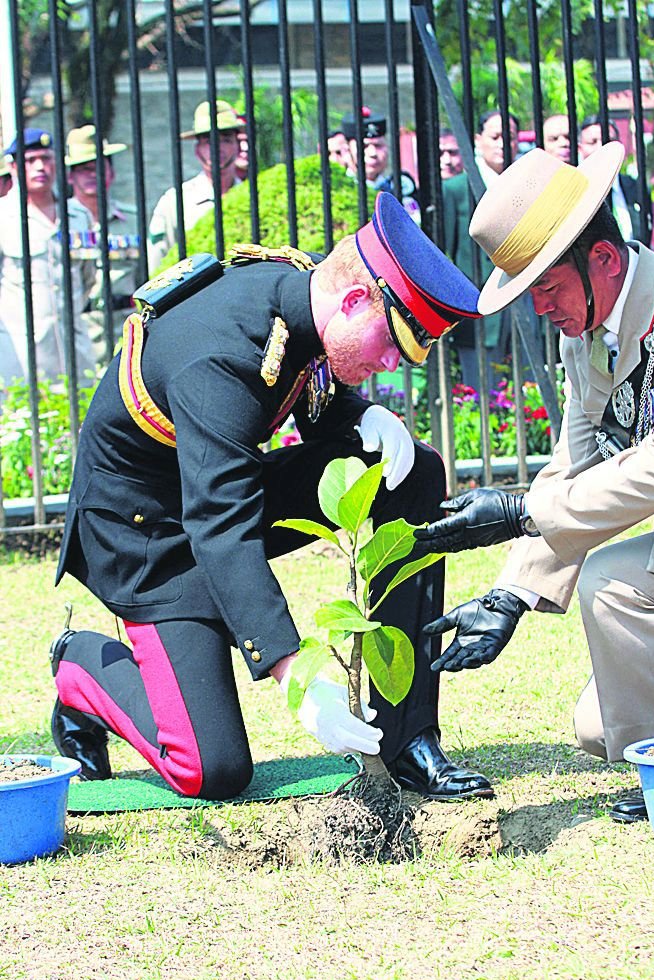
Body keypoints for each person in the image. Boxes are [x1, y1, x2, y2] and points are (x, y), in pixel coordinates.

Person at [49, 191, 495, 804]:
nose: (393, 365)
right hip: (148, 535)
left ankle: (407, 736)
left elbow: (304, 368)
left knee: (412, 472)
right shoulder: (220, 362)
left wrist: (357, 415)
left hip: (217, 485)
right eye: (391, 345)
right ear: (356, 299)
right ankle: (80, 671)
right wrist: (296, 673)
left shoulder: (305, 292)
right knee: (211, 769)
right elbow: (219, 526)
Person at [414, 145, 654, 825]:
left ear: (602, 259)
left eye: (545, 283)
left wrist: (520, 512)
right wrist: (510, 594)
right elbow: (574, 469)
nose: (538, 305)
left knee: (614, 580)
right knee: (596, 727)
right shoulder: (587, 339)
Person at [442, 110, 534, 390]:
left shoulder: (529, 182)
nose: (503, 144)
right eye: (495, 137)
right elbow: (445, 250)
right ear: (478, 140)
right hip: (479, 305)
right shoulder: (456, 189)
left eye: (510, 137)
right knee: (481, 391)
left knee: (529, 387)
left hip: (525, 299)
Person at [0, 128, 95, 385]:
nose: (40, 167)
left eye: (46, 158)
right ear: (13, 166)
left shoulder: (78, 215)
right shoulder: (3, 217)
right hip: (21, 356)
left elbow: (87, 276)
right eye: (30, 160)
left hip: (75, 350)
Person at [65, 124, 141, 364]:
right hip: (82, 324)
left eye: (98, 167)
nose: (92, 174)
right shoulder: (61, 221)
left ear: (111, 172)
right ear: (70, 175)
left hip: (126, 322)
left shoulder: (132, 218)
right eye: (84, 169)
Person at [147, 100, 249, 275]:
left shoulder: (252, 197)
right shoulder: (175, 201)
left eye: (225, 140)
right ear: (197, 150)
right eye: (209, 141)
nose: (217, 148)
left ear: (237, 146)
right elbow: (158, 266)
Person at [578, 115, 651, 244]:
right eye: (592, 142)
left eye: (608, 140)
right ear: (580, 148)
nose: (601, 146)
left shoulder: (635, 187)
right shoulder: (575, 192)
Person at [342, 107, 419, 221]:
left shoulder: (399, 187)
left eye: (379, 146)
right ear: (347, 150)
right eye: (364, 146)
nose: (373, 153)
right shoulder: (340, 188)